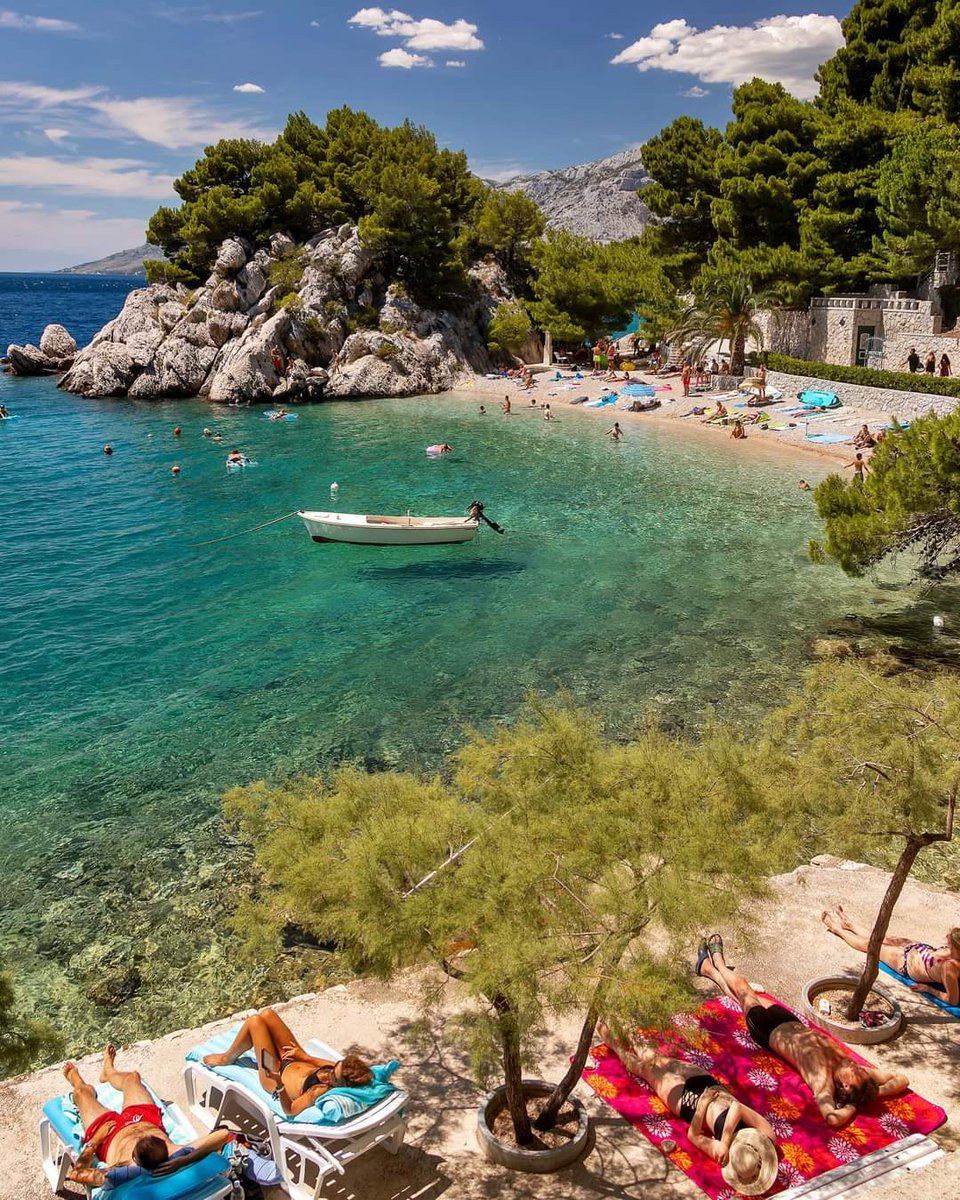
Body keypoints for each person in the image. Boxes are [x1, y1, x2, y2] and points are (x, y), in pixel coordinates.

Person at [698, 936, 908, 1127]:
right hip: (790, 1021)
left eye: (857, 1073)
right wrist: (873, 1095)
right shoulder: (854, 1071)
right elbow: (901, 1080)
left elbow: (832, 1118)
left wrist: (852, 1107)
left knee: (743, 988)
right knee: (745, 996)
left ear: (844, 1086)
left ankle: (717, 964)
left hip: (766, 1028)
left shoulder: (822, 1079)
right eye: (862, 1071)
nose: (859, 1067)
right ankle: (710, 970)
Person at [597, 1021, 778, 1196]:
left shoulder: (725, 1155)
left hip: (689, 1102)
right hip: (707, 1083)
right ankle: (621, 1022)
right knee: (655, 1058)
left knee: (645, 1068)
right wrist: (724, 1141)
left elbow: (694, 1135)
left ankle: (611, 1041)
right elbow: (737, 1108)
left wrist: (704, 1104)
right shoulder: (767, 1135)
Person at [63, 1046, 232, 1188]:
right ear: (166, 1149)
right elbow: (224, 1134)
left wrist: (94, 1142)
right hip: (145, 1119)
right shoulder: (177, 1154)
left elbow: (77, 1173)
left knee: (81, 1093)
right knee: (132, 1077)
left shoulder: (123, 1170)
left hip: (108, 1136)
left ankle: (77, 1081)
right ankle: (108, 1072)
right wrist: (183, 1160)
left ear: (135, 1158)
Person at [203, 1007, 372, 1118]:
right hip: (293, 1058)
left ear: (341, 1086)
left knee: (255, 1022)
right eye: (335, 1067)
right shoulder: (337, 1071)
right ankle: (242, 1047)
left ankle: (227, 1058)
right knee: (267, 1014)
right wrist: (301, 1055)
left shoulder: (318, 1092)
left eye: (333, 1078)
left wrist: (279, 1084)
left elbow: (290, 1111)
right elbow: (312, 1059)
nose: (329, 1074)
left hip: (275, 1075)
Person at [822, 908, 960, 1007]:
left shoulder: (950, 968)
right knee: (884, 937)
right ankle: (850, 925)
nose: (946, 943)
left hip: (906, 962)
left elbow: (952, 1000)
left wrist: (929, 989)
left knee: (871, 945)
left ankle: (836, 929)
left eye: (949, 944)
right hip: (920, 950)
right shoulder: (953, 954)